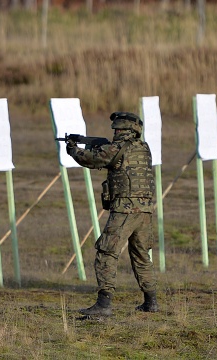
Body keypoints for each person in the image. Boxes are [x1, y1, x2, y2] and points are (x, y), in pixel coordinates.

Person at [66, 111, 159, 316]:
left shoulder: (118, 147)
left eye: (118, 129)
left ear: (127, 130)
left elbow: (92, 160)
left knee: (107, 252)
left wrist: (73, 150)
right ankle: (151, 301)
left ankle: (104, 303)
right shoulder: (143, 148)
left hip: (125, 209)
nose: (115, 132)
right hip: (144, 210)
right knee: (142, 255)